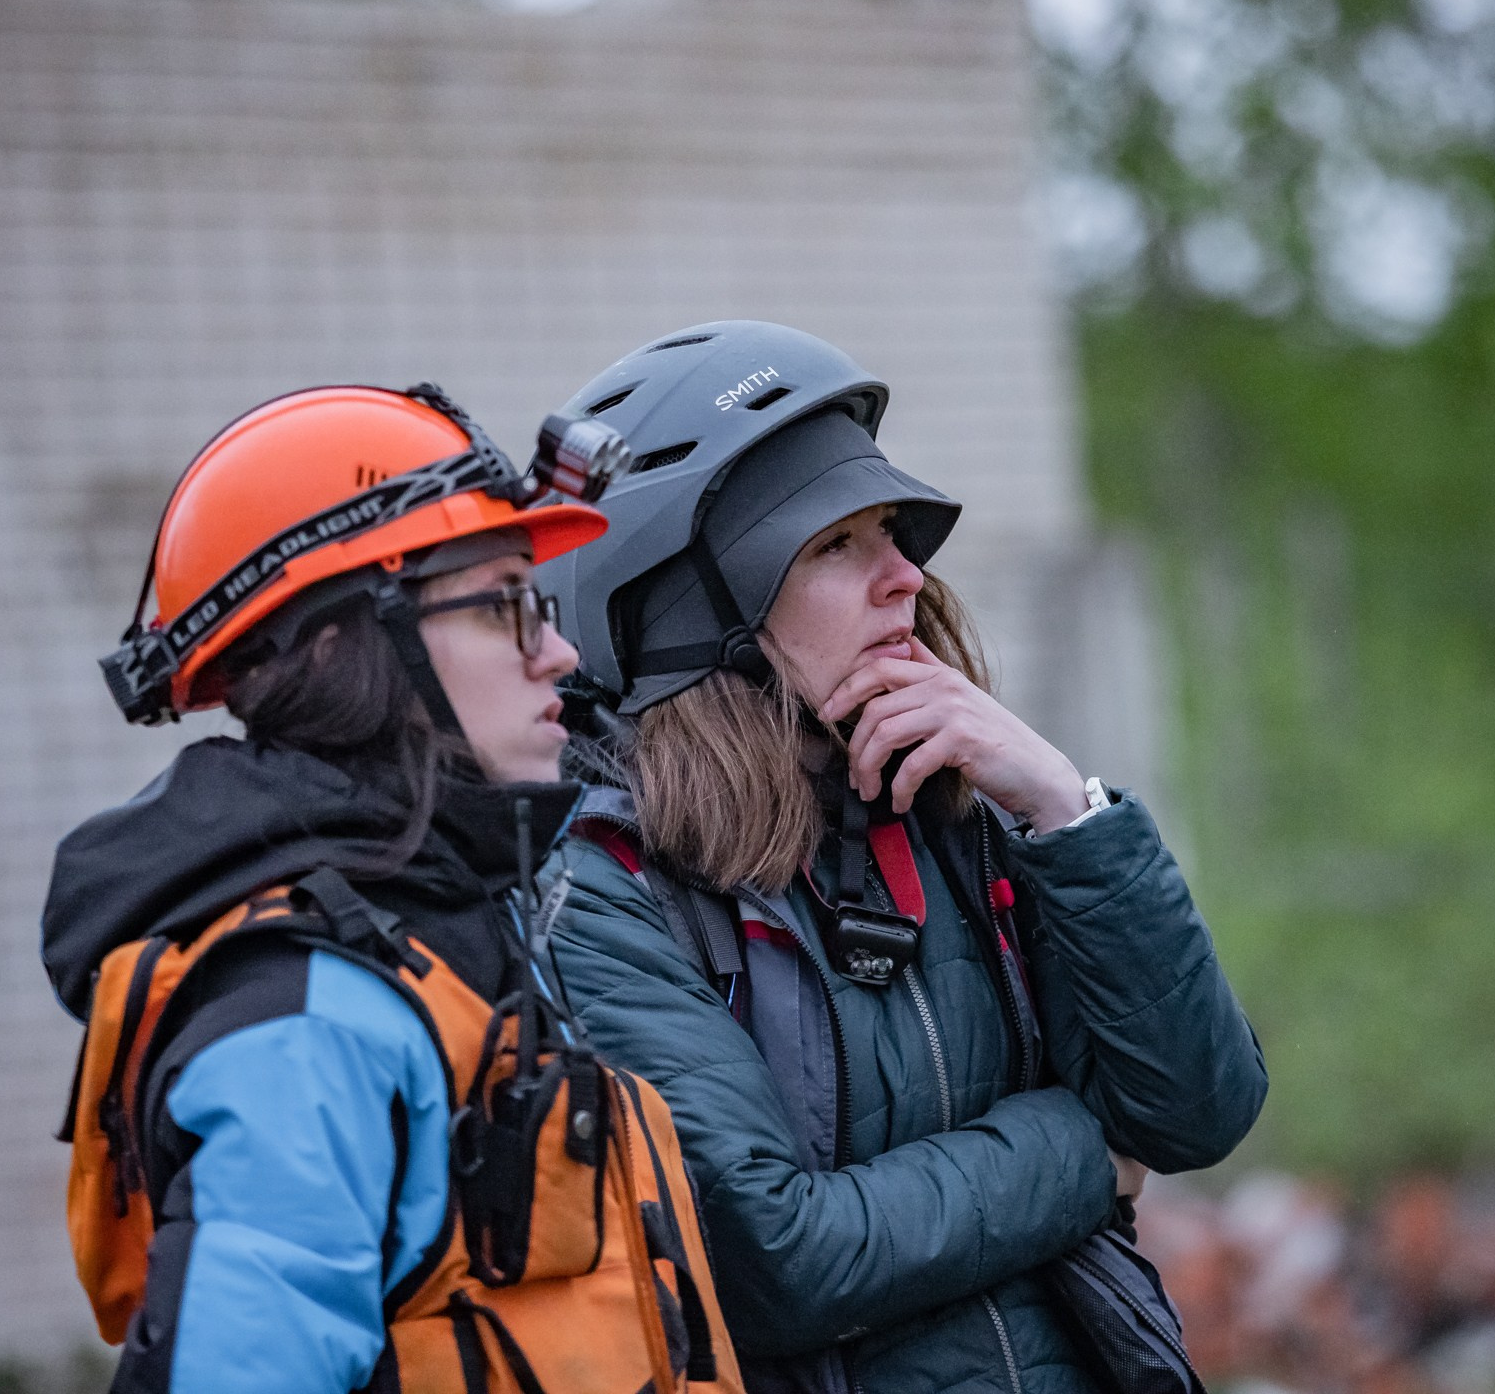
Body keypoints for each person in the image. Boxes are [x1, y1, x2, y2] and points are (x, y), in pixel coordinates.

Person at [531, 322, 1269, 1394]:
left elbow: (1197, 1109)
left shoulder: (955, 810)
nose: (906, 577)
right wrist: (1080, 1152)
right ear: (690, 603)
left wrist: (1067, 808)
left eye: (893, 531)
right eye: (836, 543)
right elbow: (779, 1259)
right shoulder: (608, 890)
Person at [40, 384, 742, 1394]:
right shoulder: (305, 1019)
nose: (560, 651)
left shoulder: (436, 909)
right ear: (347, 647)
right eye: (506, 603)